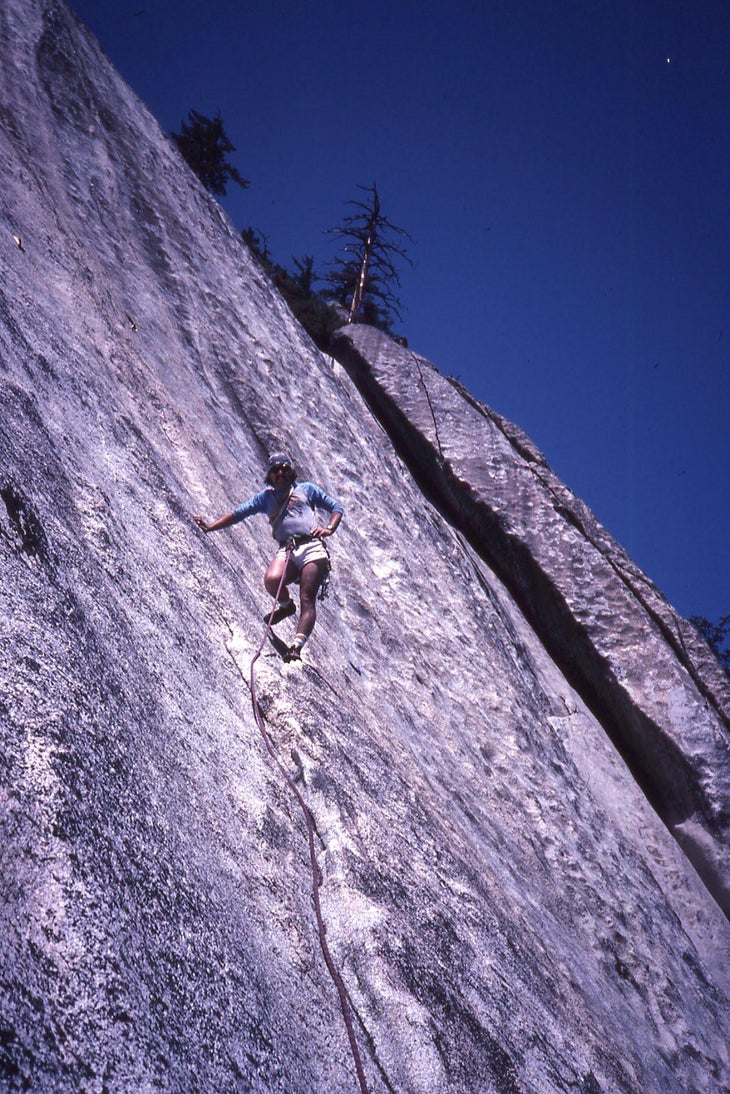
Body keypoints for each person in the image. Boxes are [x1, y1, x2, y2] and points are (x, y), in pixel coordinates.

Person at [193, 452, 343, 660]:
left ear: (291, 471)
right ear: (269, 476)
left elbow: (336, 507)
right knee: (272, 580)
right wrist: (211, 527)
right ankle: (286, 606)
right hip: (288, 548)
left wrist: (329, 528)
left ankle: (296, 647)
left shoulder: (307, 489)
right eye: (274, 470)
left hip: (312, 546)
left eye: (284, 468)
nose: (280, 473)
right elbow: (238, 513)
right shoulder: (266, 498)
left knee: (307, 597)